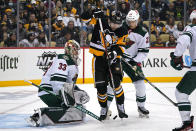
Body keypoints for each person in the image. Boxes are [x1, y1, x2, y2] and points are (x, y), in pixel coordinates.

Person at [27, 40, 90, 127]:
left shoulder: (70, 62)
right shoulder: (63, 59)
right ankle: (40, 116)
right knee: (72, 110)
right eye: (75, 50)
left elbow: (69, 85)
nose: (77, 53)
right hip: (49, 91)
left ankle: (46, 114)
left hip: (56, 91)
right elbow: (57, 82)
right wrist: (65, 97)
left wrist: (78, 92)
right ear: (70, 50)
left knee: (80, 110)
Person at [82, 9, 128, 120]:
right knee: (101, 88)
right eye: (113, 23)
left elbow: (122, 47)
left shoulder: (123, 30)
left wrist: (114, 53)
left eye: (118, 24)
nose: (115, 26)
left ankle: (121, 108)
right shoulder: (100, 21)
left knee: (116, 84)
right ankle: (103, 109)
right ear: (109, 19)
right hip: (99, 59)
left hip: (113, 59)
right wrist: (92, 12)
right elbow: (84, 18)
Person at [120, 10, 150, 118]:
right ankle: (106, 109)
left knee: (140, 83)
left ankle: (141, 107)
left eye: (133, 21)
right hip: (118, 60)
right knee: (112, 84)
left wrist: (134, 60)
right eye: (129, 21)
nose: (130, 23)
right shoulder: (121, 26)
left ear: (138, 20)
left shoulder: (142, 32)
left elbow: (144, 52)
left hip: (132, 61)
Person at [170, 10, 196, 131]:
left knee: (181, 93)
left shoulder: (191, 28)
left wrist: (176, 57)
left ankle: (187, 124)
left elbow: (183, 40)